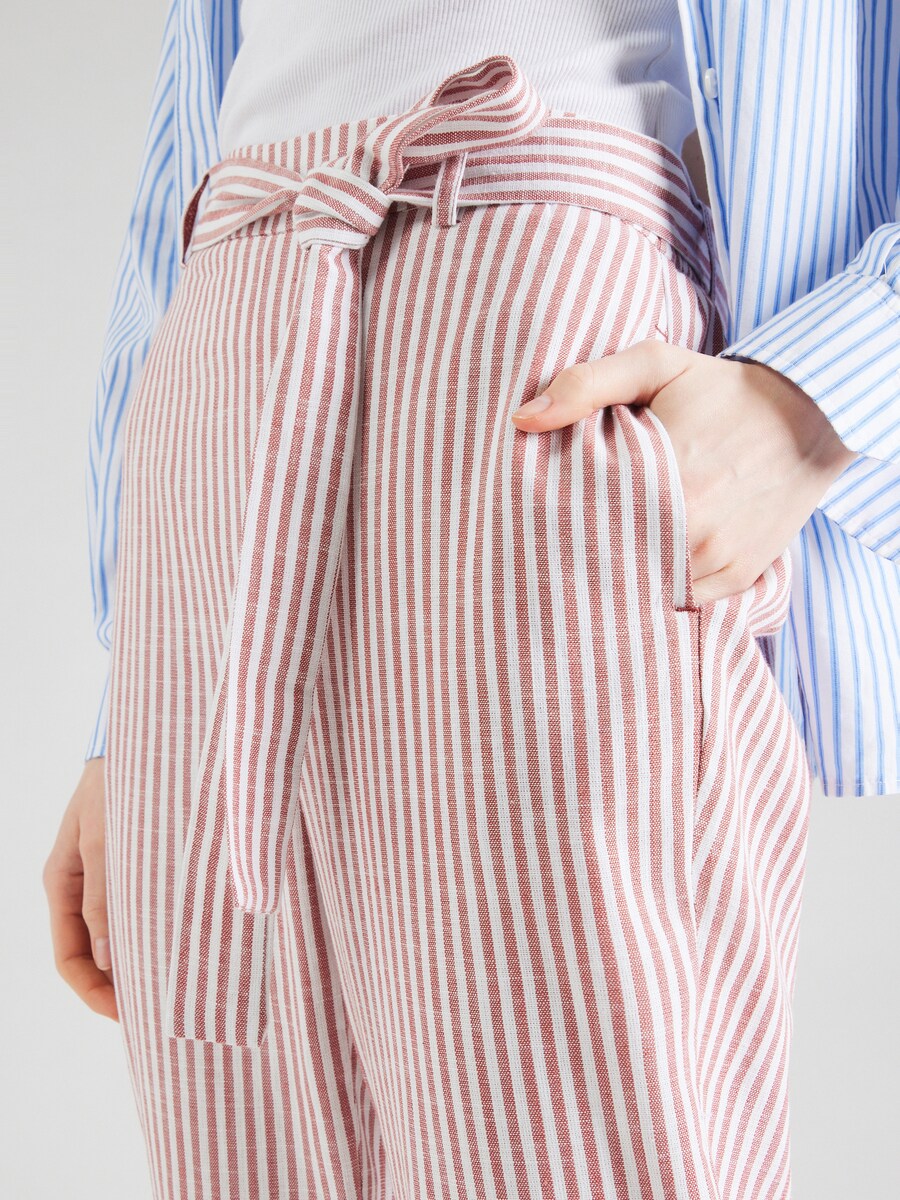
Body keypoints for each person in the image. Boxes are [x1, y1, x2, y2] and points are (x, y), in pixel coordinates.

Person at [43, 2, 898, 1197]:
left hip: (538, 326)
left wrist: (825, 387)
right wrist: (120, 712)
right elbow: (179, 154)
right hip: (231, 324)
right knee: (241, 1147)